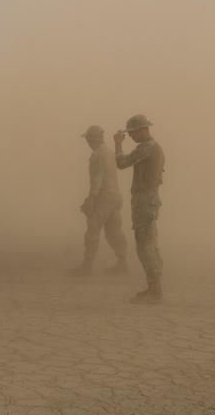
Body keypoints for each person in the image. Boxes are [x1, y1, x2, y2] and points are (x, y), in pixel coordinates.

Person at [114, 115, 165, 304]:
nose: (132, 137)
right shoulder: (154, 147)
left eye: (133, 133)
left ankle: (155, 289)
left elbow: (122, 163)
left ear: (142, 130)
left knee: (145, 246)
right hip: (148, 198)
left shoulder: (146, 147)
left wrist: (118, 144)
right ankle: (154, 286)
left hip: (145, 199)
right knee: (149, 243)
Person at [68, 125, 128, 276]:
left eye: (88, 138)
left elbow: (96, 181)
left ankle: (87, 265)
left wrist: (90, 200)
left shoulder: (97, 155)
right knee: (114, 231)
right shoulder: (108, 152)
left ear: (92, 138)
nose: (87, 141)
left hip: (104, 197)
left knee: (93, 229)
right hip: (116, 196)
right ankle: (122, 262)